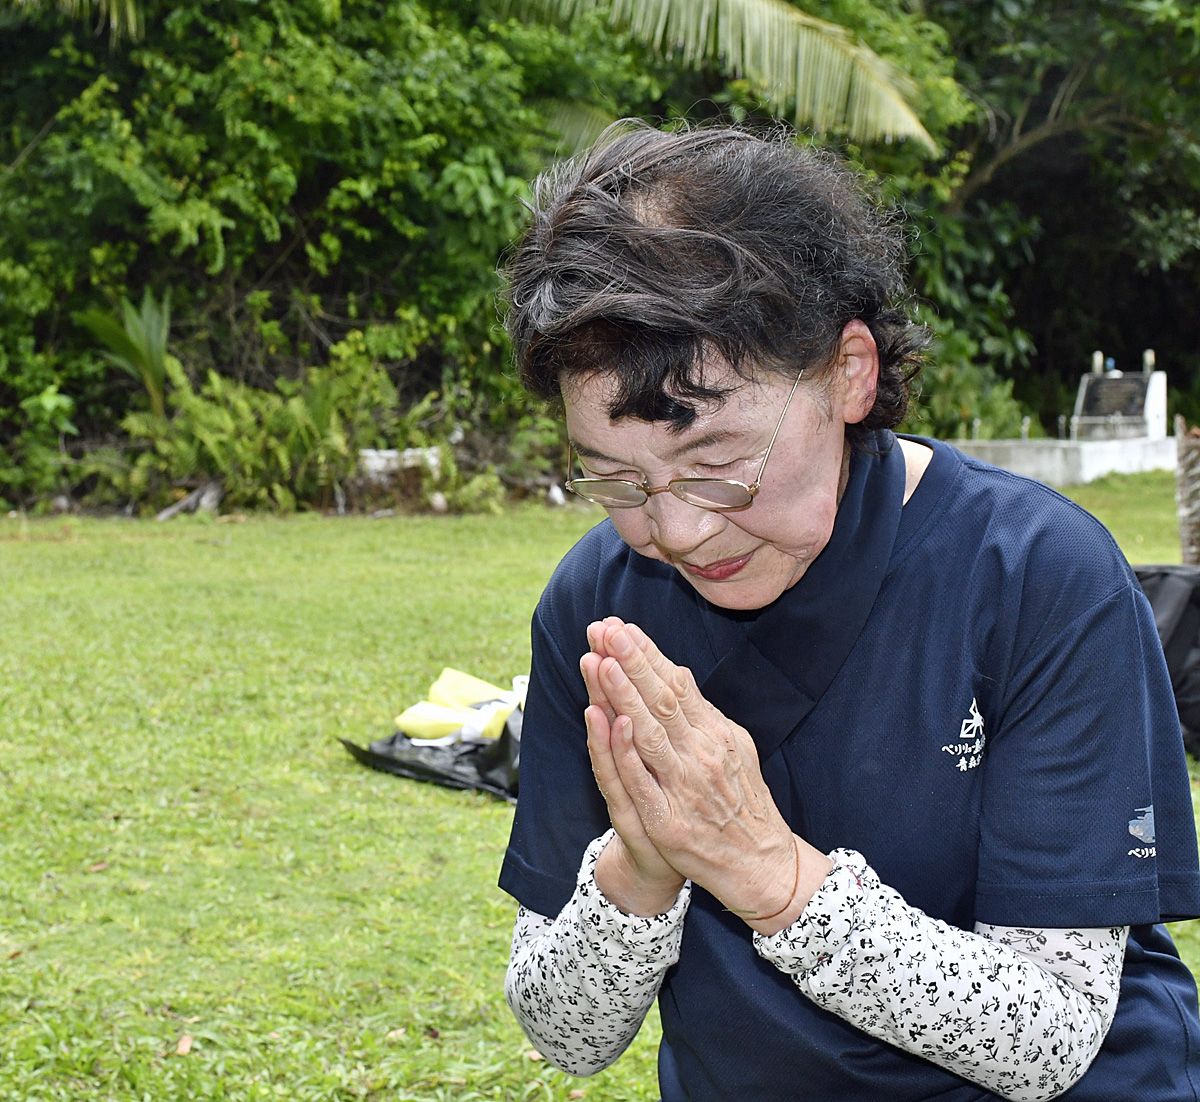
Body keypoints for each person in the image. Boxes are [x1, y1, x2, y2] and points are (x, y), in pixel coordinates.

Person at [496, 120, 1200, 1101]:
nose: (678, 532)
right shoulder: (599, 607)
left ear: (850, 372)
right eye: (617, 480)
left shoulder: (1035, 575)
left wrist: (769, 873)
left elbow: (1051, 1033)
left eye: (715, 467)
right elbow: (565, 1030)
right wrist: (640, 870)